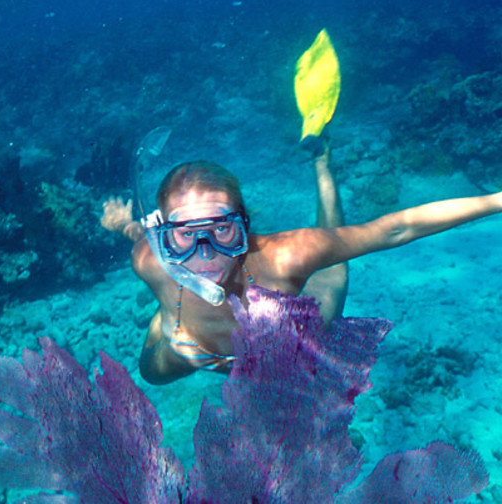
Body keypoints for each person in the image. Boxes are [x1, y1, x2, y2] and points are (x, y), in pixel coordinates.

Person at [101, 144, 502, 385]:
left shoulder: (286, 254)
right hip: (192, 350)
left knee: (335, 266)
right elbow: (141, 237)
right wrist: (124, 225)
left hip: (292, 348)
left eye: (221, 230)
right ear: (164, 236)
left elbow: (396, 228)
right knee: (150, 373)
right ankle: (166, 316)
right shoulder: (150, 258)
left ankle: (322, 163)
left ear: (245, 224)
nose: (206, 253)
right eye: (186, 234)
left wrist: (497, 200)